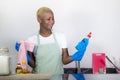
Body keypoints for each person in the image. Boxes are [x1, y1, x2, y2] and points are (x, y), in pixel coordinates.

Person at [15, 6, 89, 74]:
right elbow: (34, 64)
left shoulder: (61, 37)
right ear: (39, 20)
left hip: (57, 77)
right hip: (38, 78)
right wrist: (24, 53)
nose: (52, 22)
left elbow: (64, 60)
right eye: (48, 19)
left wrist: (76, 55)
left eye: (53, 19)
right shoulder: (31, 40)